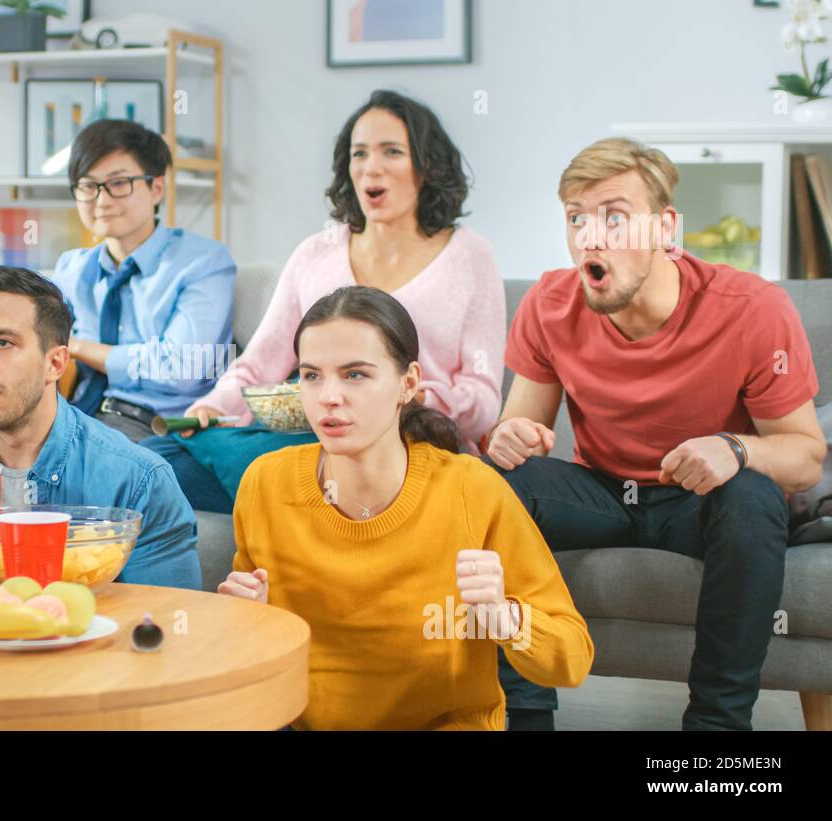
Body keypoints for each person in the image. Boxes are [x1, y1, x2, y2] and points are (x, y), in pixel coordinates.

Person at [484, 137, 825, 731]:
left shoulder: (751, 309)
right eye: (577, 218)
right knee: (491, 485)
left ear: (666, 227)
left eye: (615, 216)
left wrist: (735, 448)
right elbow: (523, 428)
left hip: (699, 503)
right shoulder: (549, 304)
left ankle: (715, 732)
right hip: (602, 495)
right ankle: (522, 716)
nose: (592, 235)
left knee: (755, 496)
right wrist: (509, 436)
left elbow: (805, 458)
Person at [219, 286, 592, 730]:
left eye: (355, 374)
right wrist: (250, 620)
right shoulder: (265, 482)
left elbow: (571, 660)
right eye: (312, 376)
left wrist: (505, 618)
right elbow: (259, 655)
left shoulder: (472, 489)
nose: (328, 397)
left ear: (408, 383)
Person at [142, 90, 503, 513]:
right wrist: (213, 408)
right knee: (154, 458)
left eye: (392, 152)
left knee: (303, 463)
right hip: (312, 432)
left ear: (428, 167)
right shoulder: (317, 252)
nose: (372, 168)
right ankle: (297, 500)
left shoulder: (468, 254)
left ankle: (297, 495)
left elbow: (482, 398)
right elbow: (260, 365)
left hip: (409, 439)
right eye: (360, 153)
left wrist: (420, 397)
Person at [0, 265, 200, 589]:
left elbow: (165, 625)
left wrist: (10, 587)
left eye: (2, 343)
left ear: (55, 363)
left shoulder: (138, 481)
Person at [52, 118, 236, 442]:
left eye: (119, 183)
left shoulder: (202, 262)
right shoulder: (72, 269)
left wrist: (79, 347)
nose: (102, 200)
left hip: (158, 426)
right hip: (75, 413)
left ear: (156, 188)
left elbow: (183, 369)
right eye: (87, 185)